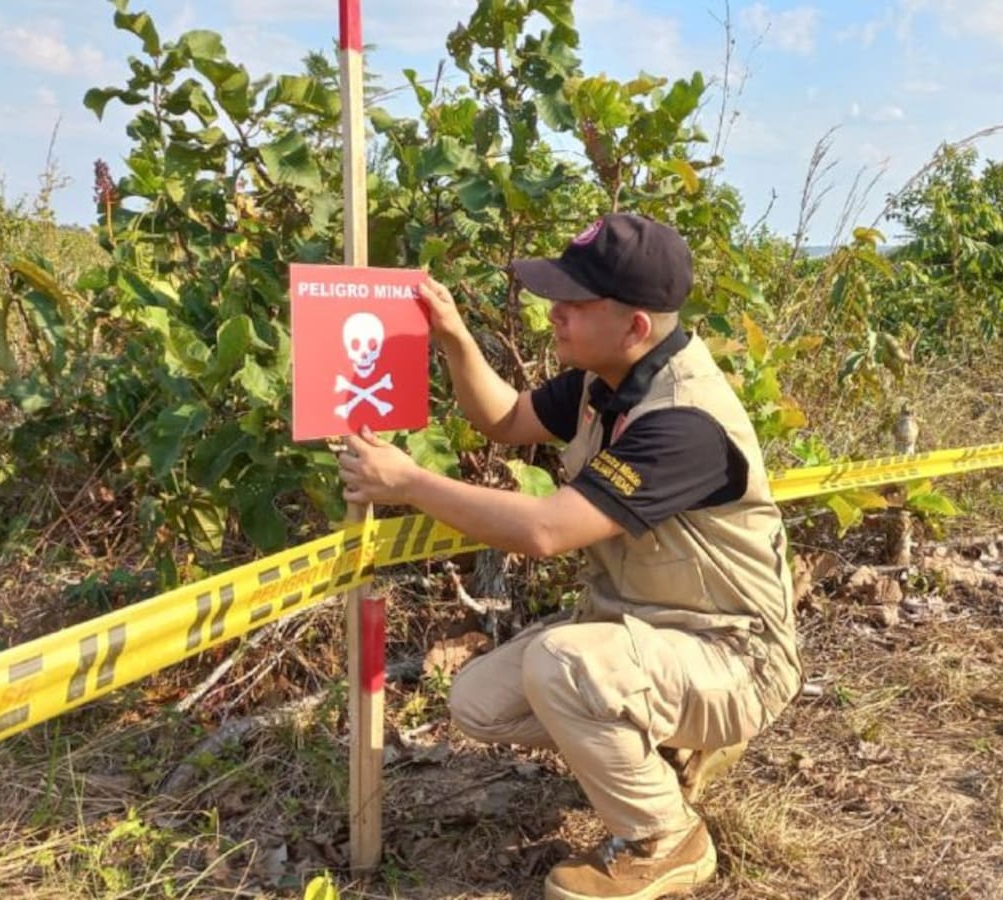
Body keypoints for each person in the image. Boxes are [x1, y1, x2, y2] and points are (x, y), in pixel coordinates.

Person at [337, 213, 802, 900]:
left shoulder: (684, 422)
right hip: (647, 632)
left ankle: (665, 839)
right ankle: (665, 745)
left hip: (733, 654)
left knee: (562, 665)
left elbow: (544, 531)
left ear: (634, 326)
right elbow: (505, 419)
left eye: (574, 302)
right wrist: (455, 337)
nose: (553, 312)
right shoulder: (604, 382)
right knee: (478, 702)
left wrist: (408, 483)